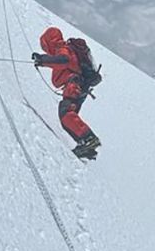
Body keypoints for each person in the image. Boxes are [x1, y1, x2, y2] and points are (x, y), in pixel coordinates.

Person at [31, 27, 102, 158]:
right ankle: (85, 145)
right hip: (80, 86)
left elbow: (63, 60)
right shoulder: (67, 49)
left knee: (66, 112)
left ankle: (88, 138)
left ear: (50, 41)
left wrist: (42, 59)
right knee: (68, 115)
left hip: (74, 84)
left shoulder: (63, 48)